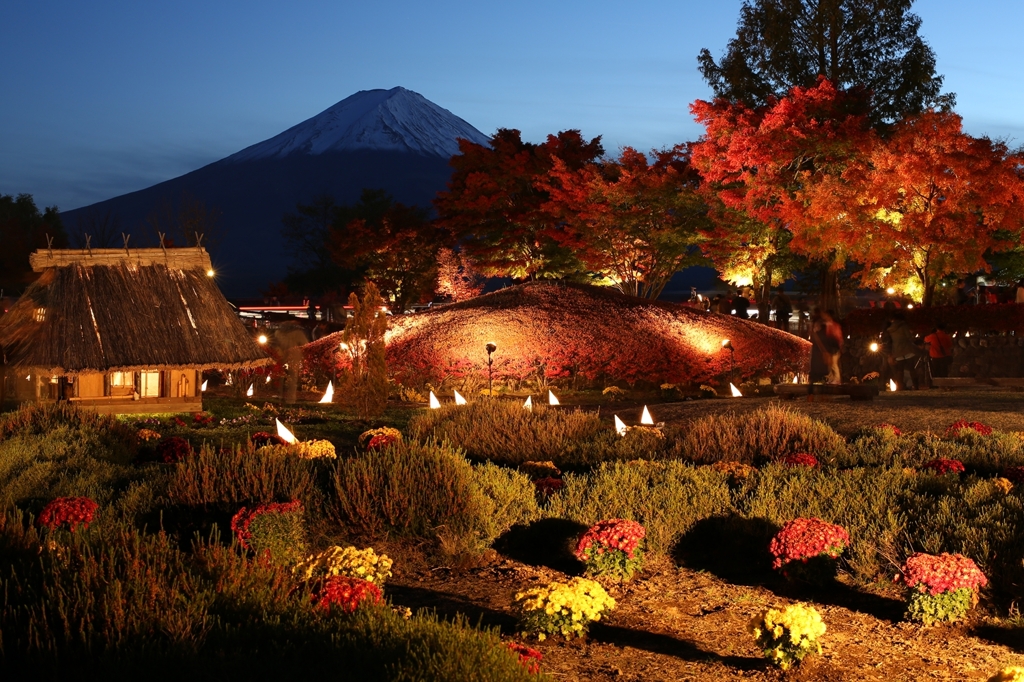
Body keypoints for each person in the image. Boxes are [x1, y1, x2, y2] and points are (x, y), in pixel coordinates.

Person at [887, 313, 918, 390]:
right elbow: (909, 337)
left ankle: (900, 386)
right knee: (912, 369)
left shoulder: (890, 329)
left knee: (899, 370)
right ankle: (916, 386)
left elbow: (889, 341)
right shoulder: (904, 326)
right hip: (907, 350)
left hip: (897, 351)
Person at [821, 310, 844, 384]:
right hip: (831, 347)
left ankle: (837, 379)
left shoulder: (834, 325)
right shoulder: (828, 325)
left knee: (834, 363)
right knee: (830, 364)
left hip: (835, 347)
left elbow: (837, 337)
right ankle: (831, 378)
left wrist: (839, 346)